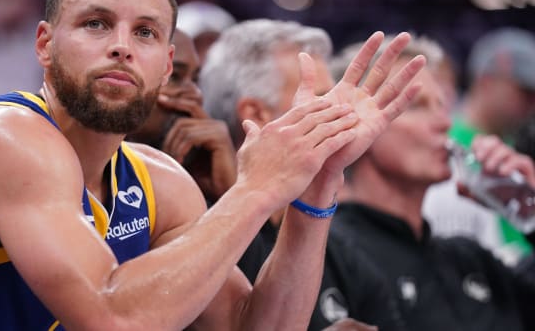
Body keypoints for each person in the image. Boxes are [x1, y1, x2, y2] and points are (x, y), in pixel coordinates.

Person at [0, 0, 424, 330]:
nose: (122, 45)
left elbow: (253, 327)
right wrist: (256, 189)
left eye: (144, 33)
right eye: (96, 24)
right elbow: (111, 318)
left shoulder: (156, 181)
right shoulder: (4, 138)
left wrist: (311, 190)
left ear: (166, 64)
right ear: (44, 44)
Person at [201, 19, 408, 330]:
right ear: (256, 113)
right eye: (321, 98)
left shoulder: (340, 250)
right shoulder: (197, 228)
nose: (342, 112)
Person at [326, 38, 535, 330]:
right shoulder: (327, 256)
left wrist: (530, 206)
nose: (445, 123)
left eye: (443, 106)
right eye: (416, 106)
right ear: (354, 125)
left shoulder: (467, 257)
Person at [422, 27, 535, 265]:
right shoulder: (437, 146)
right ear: (486, 82)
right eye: (523, 92)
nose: (531, 104)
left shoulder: (517, 152)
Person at [127, 28, 236, 203]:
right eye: (174, 76)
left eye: (195, 79)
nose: (195, 93)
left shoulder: (200, 172)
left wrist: (230, 194)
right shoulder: (85, 174)